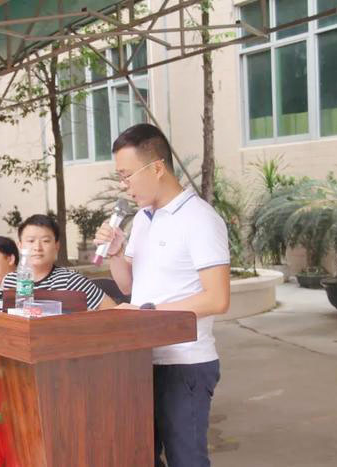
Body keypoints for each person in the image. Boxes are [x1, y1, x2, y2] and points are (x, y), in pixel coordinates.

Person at [94, 123, 230, 467]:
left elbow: (217, 299)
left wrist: (147, 313)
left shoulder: (200, 219)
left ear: (157, 167)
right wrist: (115, 253)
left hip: (185, 364)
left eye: (126, 175)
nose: (123, 185)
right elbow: (128, 287)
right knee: (142, 456)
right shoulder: (143, 219)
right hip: (142, 359)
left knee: (187, 460)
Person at [2, 214, 116, 311]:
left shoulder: (71, 281)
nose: (37, 247)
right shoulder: (10, 281)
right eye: (31, 241)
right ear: (20, 246)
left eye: (46, 241)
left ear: (56, 246)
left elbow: (114, 312)